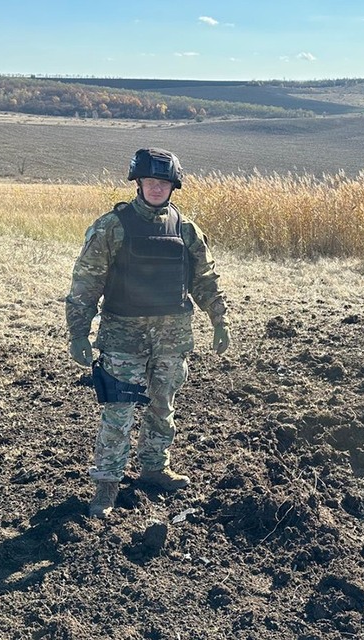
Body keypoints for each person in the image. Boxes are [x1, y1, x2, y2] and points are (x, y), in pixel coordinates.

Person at [65, 148, 230, 519]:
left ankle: (155, 468)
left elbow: (205, 279)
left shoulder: (186, 229)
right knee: (118, 412)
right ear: (138, 182)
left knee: (162, 406)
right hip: (123, 338)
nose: (157, 188)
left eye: (164, 182)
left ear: (173, 186)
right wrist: (78, 332)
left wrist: (219, 320)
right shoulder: (112, 226)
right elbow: (86, 282)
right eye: (151, 181)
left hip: (172, 338)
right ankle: (107, 484)